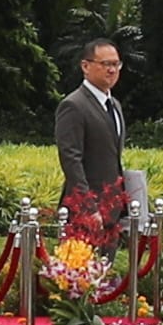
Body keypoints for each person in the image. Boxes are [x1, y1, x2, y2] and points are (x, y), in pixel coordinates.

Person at [55, 35, 132, 202]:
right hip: (86, 210)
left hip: (113, 206)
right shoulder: (73, 105)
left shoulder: (115, 105)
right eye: (105, 64)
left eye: (116, 64)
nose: (112, 70)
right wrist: (87, 205)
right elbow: (71, 160)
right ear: (85, 66)